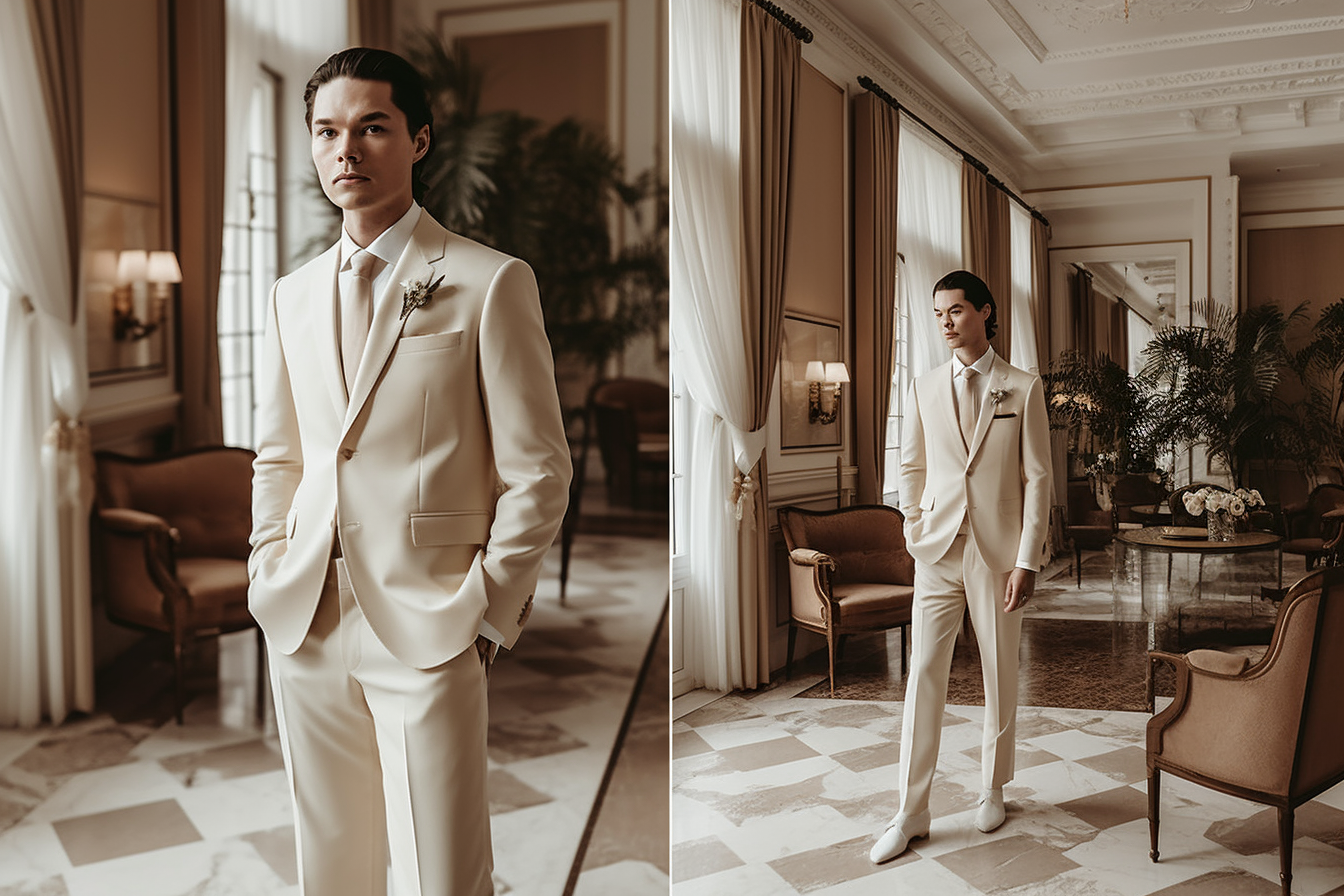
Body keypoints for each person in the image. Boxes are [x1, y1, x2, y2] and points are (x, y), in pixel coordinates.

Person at [247, 47, 571, 896]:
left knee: (443, 871)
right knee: (333, 865)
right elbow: (281, 454)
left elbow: (539, 471)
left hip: (431, 615)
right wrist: (266, 561)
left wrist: (489, 608)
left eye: (371, 127)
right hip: (305, 613)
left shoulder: (489, 281)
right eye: (326, 132)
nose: (344, 151)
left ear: (419, 139)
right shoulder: (289, 295)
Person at [869, 269, 1051, 864]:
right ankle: (910, 810)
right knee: (923, 672)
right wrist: (914, 524)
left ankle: (992, 787)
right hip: (937, 551)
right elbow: (913, 467)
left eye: (955, 310)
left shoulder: (1022, 387)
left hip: (998, 555)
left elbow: (1037, 478)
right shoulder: (922, 386)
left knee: (1000, 669)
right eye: (938, 313)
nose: (945, 322)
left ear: (985, 311)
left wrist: (1027, 559)